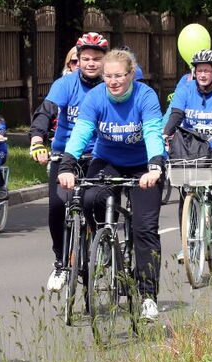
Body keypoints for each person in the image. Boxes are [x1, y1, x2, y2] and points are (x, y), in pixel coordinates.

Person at [57, 48, 165, 322]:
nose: (113, 81)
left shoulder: (145, 96)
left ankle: (147, 295)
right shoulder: (95, 98)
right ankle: (100, 248)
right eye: (108, 76)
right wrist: (67, 164)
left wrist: (155, 165)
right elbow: (82, 132)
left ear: (131, 74)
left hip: (143, 166)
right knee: (90, 199)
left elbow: (153, 132)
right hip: (107, 161)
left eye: (119, 75)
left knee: (145, 228)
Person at [28, 32, 109, 289]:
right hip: (65, 156)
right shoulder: (65, 84)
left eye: (97, 59)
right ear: (77, 60)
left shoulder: (111, 86)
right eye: (85, 58)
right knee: (56, 207)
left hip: (99, 155)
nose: (91, 63)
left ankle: (100, 243)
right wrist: (37, 140)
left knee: (94, 202)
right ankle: (61, 262)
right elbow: (46, 111)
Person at [164, 49, 212, 232]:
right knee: (185, 188)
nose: (203, 75)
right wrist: (166, 133)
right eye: (199, 71)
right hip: (192, 145)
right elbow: (176, 114)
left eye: (207, 70)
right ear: (194, 72)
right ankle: (186, 244)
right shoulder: (185, 90)